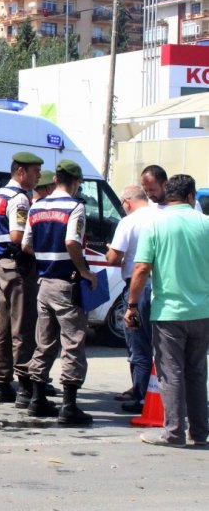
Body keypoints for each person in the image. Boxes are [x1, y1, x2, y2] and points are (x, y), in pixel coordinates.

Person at [126, 174, 209, 448]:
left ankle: (174, 432)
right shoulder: (206, 223)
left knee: (171, 372)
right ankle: (198, 432)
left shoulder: (155, 225)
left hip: (169, 313)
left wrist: (132, 305)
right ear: (191, 197)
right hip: (202, 311)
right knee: (197, 372)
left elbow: (140, 269)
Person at [22, 159, 98, 426]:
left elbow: (26, 244)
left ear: (55, 179)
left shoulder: (37, 207)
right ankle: (69, 406)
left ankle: (37, 399)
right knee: (73, 342)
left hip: (44, 283)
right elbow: (72, 241)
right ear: (76, 183)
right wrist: (84, 270)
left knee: (44, 342)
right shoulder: (75, 207)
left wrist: (46, 258)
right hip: (67, 283)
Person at [0, 152, 42, 406]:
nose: (39, 176)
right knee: (23, 326)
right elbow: (17, 236)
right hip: (18, 265)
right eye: (35, 171)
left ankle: (2, 383)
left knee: (4, 326)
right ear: (21, 172)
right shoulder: (19, 199)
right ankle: (24, 385)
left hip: (2, 265)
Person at [104, 186, 159, 414]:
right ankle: (152, 392)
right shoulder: (160, 216)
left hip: (138, 289)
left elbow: (113, 258)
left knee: (137, 342)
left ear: (126, 203)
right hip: (160, 287)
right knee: (157, 342)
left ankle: (140, 396)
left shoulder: (128, 222)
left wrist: (109, 251)